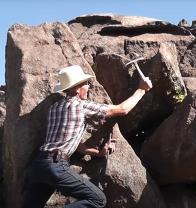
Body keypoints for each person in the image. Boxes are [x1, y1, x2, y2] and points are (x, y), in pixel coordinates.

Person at [22, 65, 152, 208]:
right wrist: (141, 90)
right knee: (97, 199)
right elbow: (122, 109)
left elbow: (71, 142)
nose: (89, 87)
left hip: (39, 165)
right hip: (55, 166)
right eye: (86, 84)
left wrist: (97, 153)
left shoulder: (55, 108)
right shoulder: (81, 106)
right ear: (77, 89)